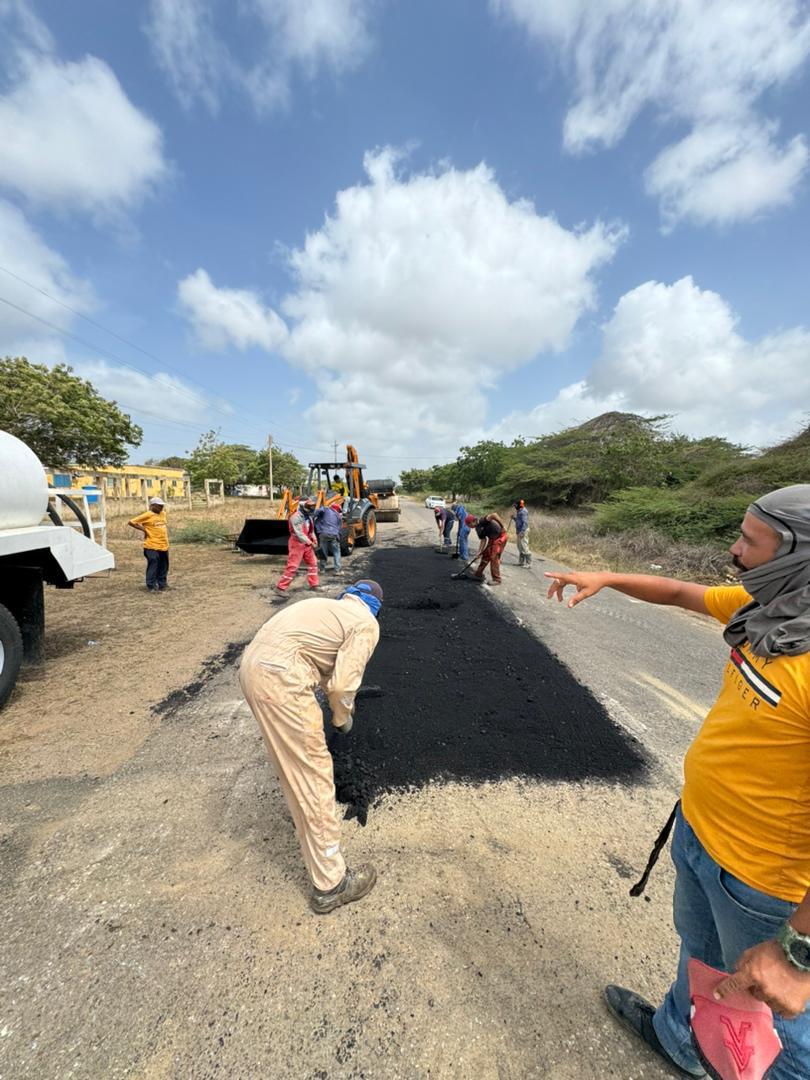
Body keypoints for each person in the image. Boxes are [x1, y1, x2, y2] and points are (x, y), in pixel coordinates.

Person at [545, 485, 810, 1079]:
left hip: (763, 882)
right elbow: (678, 591)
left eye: (750, 540)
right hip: (698, 832)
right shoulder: (770, 608)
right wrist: (608, 576)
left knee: (783, 1031)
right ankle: (681, 1043)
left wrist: (797, 955)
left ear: (799, 556)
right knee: (702, 960)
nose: (735, 550)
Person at [239, 580, 384, 913]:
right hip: (280, 676)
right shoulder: (365, 623)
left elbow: (318, 665)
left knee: (290, 760)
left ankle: (305, 819)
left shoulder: (324, 608)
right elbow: (342, 684)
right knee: (315, 774)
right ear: (375, 606)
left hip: (252, 668)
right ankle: (331, 884)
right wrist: (341, 717)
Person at [277, 496, 319, 593]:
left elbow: (311, 530)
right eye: (309, 506)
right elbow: (299, 533)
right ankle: (280, 588)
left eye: (312, 505)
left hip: (307, 543)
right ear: (303, 505)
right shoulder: (295, 517)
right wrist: (310, 542)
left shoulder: (308, 516)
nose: (312, 508)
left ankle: (314, 585)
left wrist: (314, 539)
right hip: (297, 543)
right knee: (293, 566)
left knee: (313, 564)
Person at [128, 496, 169, 592]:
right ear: (152, 506)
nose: (161, 508)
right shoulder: (147, 515)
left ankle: (162, 584)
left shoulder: (163, 514)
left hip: (163, 545)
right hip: (151, 546)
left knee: (164, 565)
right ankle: (151, 586)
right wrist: (144, 530)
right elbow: (131, 522)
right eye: (159, 506)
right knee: (153, 564)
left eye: (162, 506)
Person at [467, 512, 508, 584]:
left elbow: (494, 515)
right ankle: (478, 574)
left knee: (494, 557)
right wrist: (479, 552)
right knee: (486, 555)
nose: (469, 527)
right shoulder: (478, 529)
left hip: (500, 537)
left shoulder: (483, 520)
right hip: (492, 539)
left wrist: (502, 526)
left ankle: (497, 579)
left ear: (473, 521)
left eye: (469, 525)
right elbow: (483, 540)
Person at [315, 498, 343, 573]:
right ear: (337, 509)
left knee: (323, 552)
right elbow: (339, 529)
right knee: (336, 552)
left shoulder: (326, 509)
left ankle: (322, 569)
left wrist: (314, 515)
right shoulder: (339, 517)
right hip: (333, 535)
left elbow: (317, 512)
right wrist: (338, 538)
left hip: (323, 534)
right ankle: (337, 571)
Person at [511, 499, 531, 567]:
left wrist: (522, 532)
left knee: (524, 547)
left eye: (516, 505)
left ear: (519, 505)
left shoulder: (523, 512)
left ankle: (528, 564)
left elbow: (525, 523)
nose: (515, 506)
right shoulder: (519, 511)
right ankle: (521, 562)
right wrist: (514, 518)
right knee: (520, 547)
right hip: (519, 531)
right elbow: (519, 521)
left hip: (523, 531)